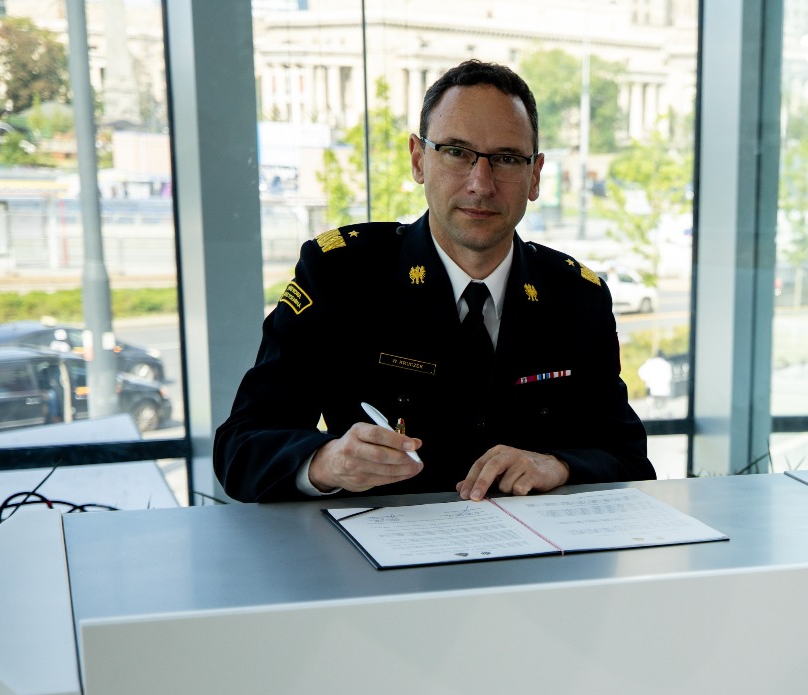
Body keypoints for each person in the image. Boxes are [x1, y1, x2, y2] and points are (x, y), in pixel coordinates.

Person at [214, 59, 654, 503]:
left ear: (535, 175)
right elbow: (241, 446)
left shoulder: (577, 299)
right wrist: (327, 462)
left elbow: (630, 459)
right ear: (418, 159)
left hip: (534, 545)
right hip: (379, 545)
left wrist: (559, 465)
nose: (481, 184)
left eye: (506, 158)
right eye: (457, 152)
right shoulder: (341, 278)